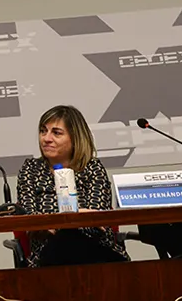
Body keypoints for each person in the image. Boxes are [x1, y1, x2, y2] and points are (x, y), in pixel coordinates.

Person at [16, 105, 128, 267]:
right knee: (63, 242)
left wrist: (56, 222)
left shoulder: (92, 168)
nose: (46, 138)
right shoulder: (31, 169)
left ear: (75, 137)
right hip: (48, 252)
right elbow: (31, 220)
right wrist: (73, 218)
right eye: (43, 131)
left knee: (74, 241)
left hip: (95, 247)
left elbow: (96, 222)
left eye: (56, 133)